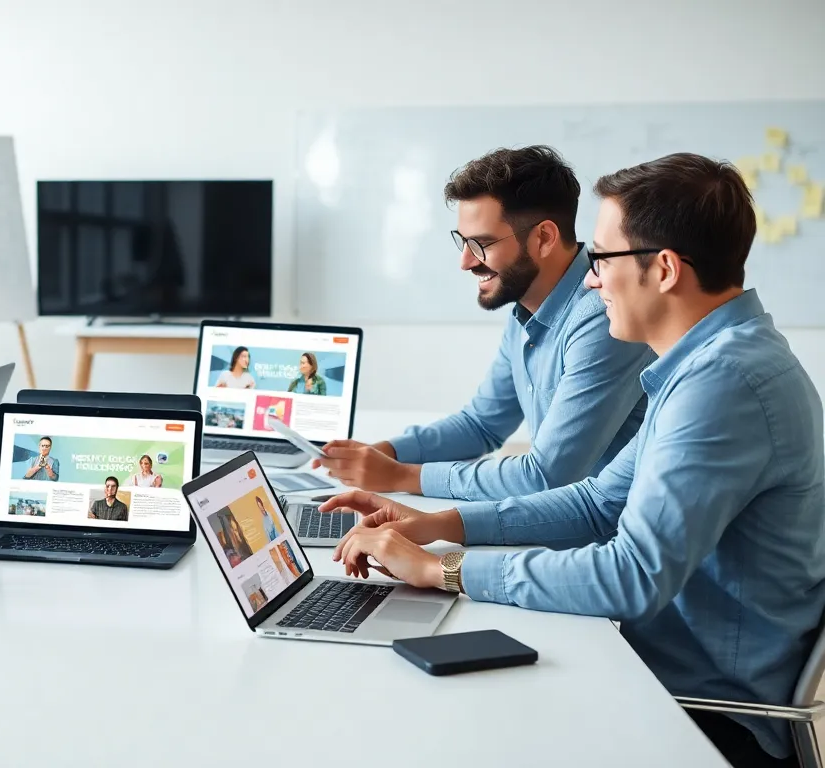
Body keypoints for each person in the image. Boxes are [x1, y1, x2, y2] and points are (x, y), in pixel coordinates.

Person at [327, 153, 825, 768]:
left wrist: (442, 569)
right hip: (656, 666)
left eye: (602, 260)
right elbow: (598, 502)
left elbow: (632, 577)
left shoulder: (725, 381)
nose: (589, 280)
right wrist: (432, 525)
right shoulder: (707, 363)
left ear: (664, 269)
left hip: (703, 715)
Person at [314, 146, 653, 503]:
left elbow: (545, 476)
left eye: (481, 244)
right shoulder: (527, 305)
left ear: (544, 238)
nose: (465, 262)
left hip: (604, 537)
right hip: (561, 526)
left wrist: (402, 476)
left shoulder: (603, 316)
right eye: (463, 242)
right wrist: (384, 453)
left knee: (430, 552)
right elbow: (482, 425)